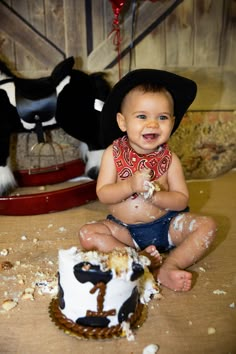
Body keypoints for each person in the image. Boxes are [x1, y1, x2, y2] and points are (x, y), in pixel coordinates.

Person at [79, 69, 217, 292]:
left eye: (162, 117)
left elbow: (181, 200)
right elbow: (103, 193)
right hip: (124, 232)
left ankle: (169, 267)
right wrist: (129, 185)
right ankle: (136, 258)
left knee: (207, 226)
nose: (153, 124)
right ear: (122, 122)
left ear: (172, 122)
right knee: (88, 234)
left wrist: (157, 196)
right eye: (142, 116)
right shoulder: (112, 154)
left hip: (166, 225)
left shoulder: (170, 160)